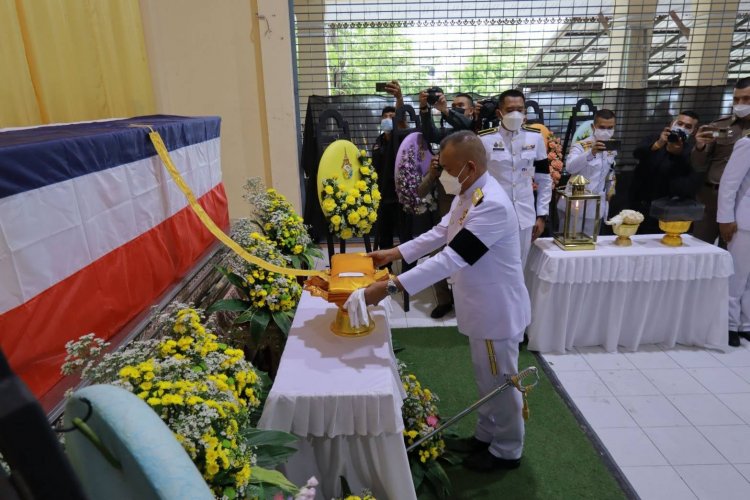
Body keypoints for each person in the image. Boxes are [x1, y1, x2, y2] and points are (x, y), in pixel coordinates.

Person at [360, 130, 531, 472]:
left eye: (448, 170)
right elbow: (441, 232)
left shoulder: (492, 204)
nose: (444, 177)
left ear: (469, 165)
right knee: (486, 378)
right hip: (480, 307)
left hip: (496, 312)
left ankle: (507, 450)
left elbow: (453, 257)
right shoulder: (469, 194)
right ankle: (485, 436)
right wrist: (395, 252)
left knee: (501, 381)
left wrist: (394, 286)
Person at [478, 89, 551, 265]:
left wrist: (541, 215)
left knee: (519, 267)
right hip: (494, 214)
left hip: (524, 217)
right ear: (499, 113)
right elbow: (477, 181)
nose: (516, 114)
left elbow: (544, 179)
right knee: (492, 266)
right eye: (510, 110)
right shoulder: (485, 139)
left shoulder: (535, 138)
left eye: (520, 109)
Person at [691, 77, 750, 245]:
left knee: (733, 252)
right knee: (700, 248)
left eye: (746, 99)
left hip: (742, 200)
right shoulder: (721, 126)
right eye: (736, 99)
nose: (740, 103)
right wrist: (700, 147)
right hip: (711, 197)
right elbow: (697, 164)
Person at [631, 111, 701, 233]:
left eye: (688, 127)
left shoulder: (691, 152)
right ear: (672, 123)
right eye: (680, 123)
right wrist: (658, 144)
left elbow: (687, 182)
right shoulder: (654, 138)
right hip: (640, 203)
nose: (682, 128)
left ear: (694, 131)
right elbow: (637, 153)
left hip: (668, 210)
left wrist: (678, 155)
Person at [558, 109, 618, 235]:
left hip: (597, 203)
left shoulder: (612, 148)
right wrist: (591, 153)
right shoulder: (580, 146)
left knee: (591, 244)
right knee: (571, 241)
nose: (606, 131)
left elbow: (610, 171)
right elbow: (569, 167)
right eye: (602, 127)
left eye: (610, 127)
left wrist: (610, 190)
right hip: (576, 202)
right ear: (593, 126)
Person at [717, 134, 750, 347]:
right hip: (744, 220)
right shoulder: (747, 144)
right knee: (737, 275)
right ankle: (729, 323)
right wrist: (726, 218)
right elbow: (729, 184)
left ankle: (745, 324)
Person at [417, 155, 454, 318]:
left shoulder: (472, 166)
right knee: (435, 260)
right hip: (445, 223)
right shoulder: (440, 166)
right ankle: (444, 300)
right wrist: (432, 174)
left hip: (471, 222)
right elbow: (420, 191)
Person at [372, 81, 405, 250]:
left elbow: (401, 115)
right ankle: (385, 268)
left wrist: (398, 97)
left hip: (399, 196)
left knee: (403, 234)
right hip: (382, 195)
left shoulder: (401, 139)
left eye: (392, 117)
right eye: (385, 117)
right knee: (384, 235)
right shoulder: (378, 141)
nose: (387, 120)